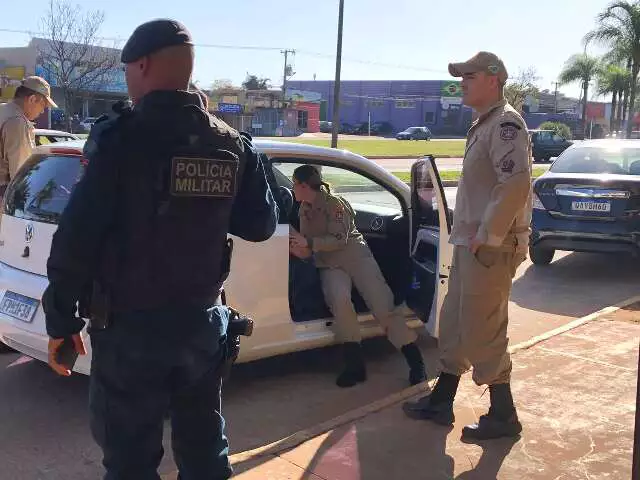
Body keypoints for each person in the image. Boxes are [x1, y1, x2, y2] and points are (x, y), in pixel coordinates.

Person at [42, 19, 278, 480]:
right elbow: (260, 224)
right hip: (201, 328)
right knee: (205, 451)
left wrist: (61, 321)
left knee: (130, 461)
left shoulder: (120, 139)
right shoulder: (230, 144)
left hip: (131, 333)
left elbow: (77, 236)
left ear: (143, 65)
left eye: (129, 69)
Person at [403, 51, 532, 440]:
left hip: (490, 247)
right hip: (471, 243)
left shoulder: (506, 124)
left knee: (484, 329)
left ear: (493, 79)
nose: (462, 82)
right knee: (456, 324)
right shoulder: (484, 124)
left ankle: (504, 416)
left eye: (469, 76)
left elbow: (515, 184)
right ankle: (443, 400)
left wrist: (488, 236)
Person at [289, 164, 427, 388]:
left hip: (355, 257)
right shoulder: (304, 207)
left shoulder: (334, 204)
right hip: (329, 263)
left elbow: (339, 239)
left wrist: (310, 244)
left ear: (304, 185)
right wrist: (298, 246)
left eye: (294, 184)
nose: (292, 189)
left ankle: (416, 362)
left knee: (382, 307)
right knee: (340, 304)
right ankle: (355, 366)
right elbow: (308, 242)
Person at [0, 76, 56, 193]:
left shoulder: (3, 111)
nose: (42, 111)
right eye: (43, 106)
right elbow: (21, 175)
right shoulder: (17, 122)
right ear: (32, 99)